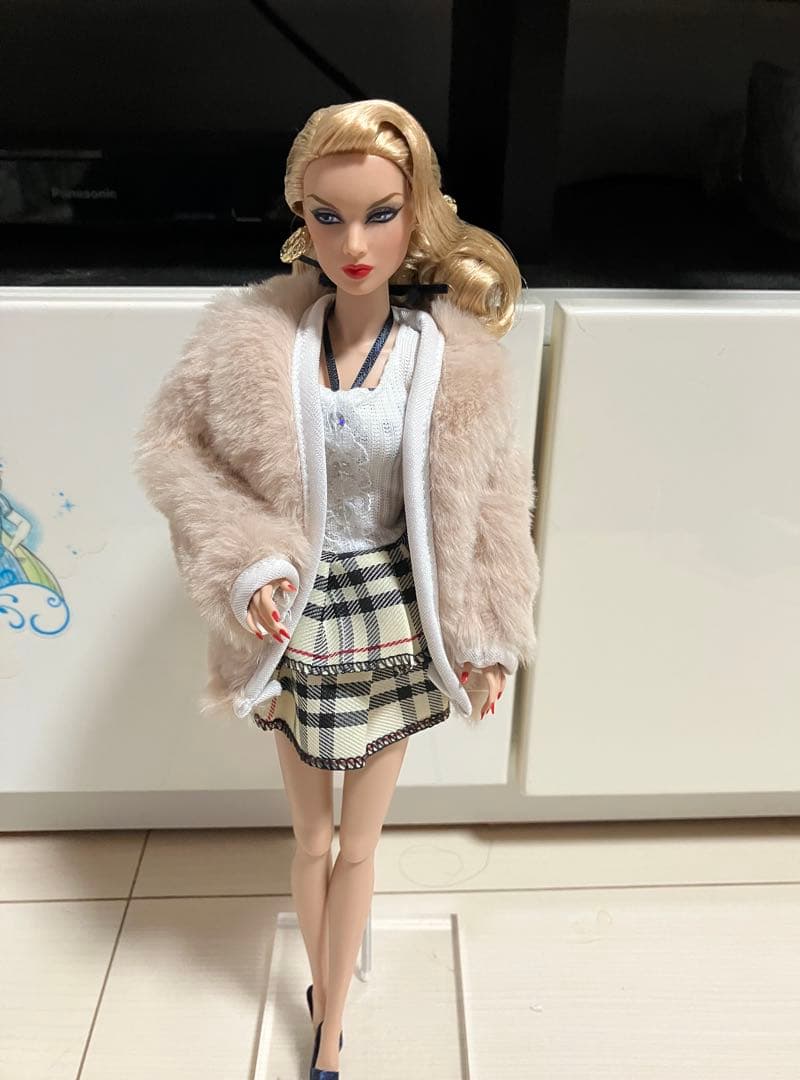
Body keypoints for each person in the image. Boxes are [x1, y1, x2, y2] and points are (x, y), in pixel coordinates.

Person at [133, 99, 540, 1079]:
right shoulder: (252, 345)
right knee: (312, 838)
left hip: (398, 614)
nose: (354, 245)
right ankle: (326, 997)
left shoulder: (454, 362)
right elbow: (177, 458)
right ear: (301, 219)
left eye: (380, 215)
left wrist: (488, 635)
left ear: (417, 214)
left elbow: (495, 499)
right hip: (299, 613)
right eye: (329, 216)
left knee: (360, 844)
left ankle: (328, 1027)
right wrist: (249, 562)